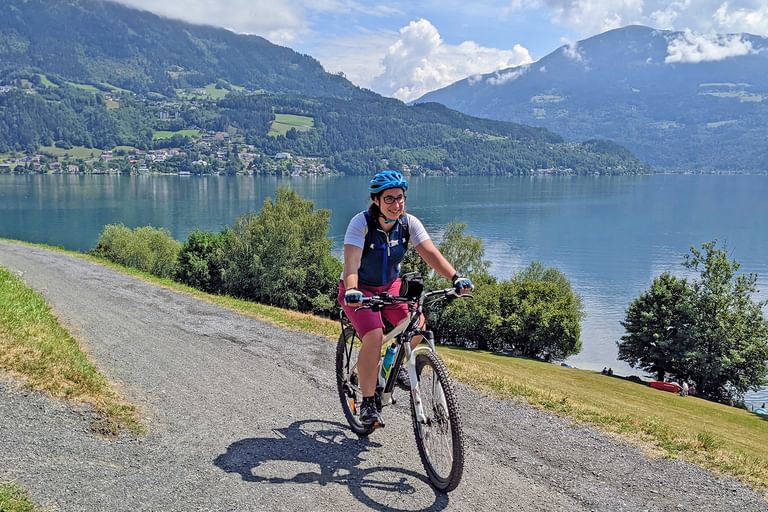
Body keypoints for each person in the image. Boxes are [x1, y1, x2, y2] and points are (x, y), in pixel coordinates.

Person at [339, 170, 473, 430]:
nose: (396, 204)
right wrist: (353, 291)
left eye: (400, 198)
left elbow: (430, 252)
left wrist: (456, 277)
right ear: (376, 200)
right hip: (359, 289)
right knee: (374, 335)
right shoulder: (361, 224)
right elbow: (352, 264)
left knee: (416, 324)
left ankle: (391, 363)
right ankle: (368, 402)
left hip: (390, 286)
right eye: (389, 199)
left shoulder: (408, 223)